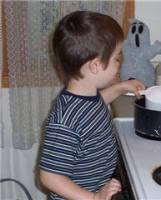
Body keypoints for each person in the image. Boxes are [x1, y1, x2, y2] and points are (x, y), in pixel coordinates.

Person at [39, 11, 145, 200]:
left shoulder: (86, 95)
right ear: (95, 66)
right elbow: (50, 177)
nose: (120, 63)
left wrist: (121, 88)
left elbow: (96, 104)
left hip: (98, 185)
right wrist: (94, 198)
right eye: (116, 58)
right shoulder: (65, 120)